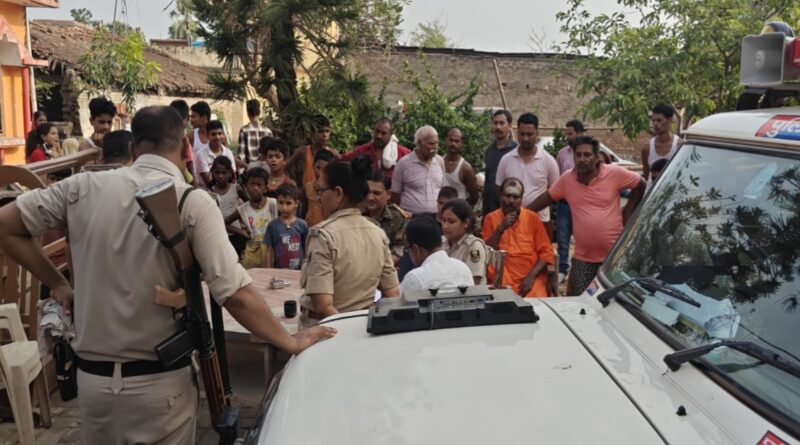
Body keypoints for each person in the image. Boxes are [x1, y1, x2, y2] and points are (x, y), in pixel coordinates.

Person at [0, 105, 334, 444]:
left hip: (93, 385)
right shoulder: (191, 202)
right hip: (159, 388)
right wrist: (290, 342)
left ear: (133, 148)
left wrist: (58, 284)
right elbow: (236, 294)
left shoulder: (80, 188)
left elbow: (6, 224)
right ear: (186, 146)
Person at [528, 136, 646, 295]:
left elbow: (640, 184)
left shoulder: (614, 173)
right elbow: (547, 198)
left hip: (613, 257)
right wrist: (522, 212)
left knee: (613, 300)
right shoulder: (567, 180)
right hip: (584, 259)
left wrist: (628, 211)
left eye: (587, 155)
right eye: (578, 155)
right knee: (578, 301)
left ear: (596, 157)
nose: (582, 159)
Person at [299, 156, 400, 328]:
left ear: (338, 193)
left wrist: (347, 332)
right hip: (365, 325)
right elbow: (393, 294)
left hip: (326, 330)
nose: (319, 198)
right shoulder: (378, 234)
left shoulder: (323, 236)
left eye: (321, 190)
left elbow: (322, 305)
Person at [483, 178, 555, 297]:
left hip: (530, 278)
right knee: (504, 300)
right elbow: (487, 253)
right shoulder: (491, 218)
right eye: (507, 196)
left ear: (521, 199)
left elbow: (546, 253)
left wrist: (531, 276)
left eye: (516, 197)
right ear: (500, 196)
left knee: (535, 303)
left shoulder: (533, 218)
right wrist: (500, 229)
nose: (511, 201)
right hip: (502, 278)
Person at [495, 112, 559, 223]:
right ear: (517, 132)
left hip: (539, 221)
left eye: (529, 134)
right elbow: (499, 189)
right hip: (512, 222)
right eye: (522, 134)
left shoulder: (548, 161)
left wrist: (526, 212)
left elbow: (554, 193)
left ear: (537, 133)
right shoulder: (506, 160)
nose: (525, 138)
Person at [400, 216, 474, 295]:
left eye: (407, 249)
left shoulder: (415, 278)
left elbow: (398, 300)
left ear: (416, 249)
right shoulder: (463, 268)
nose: (408, 253)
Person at [225, 167, 278, 269]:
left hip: (271, 252)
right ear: (246, 186)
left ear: (265, 188)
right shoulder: (243, 209)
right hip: (252, 256)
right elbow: (224, 223)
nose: (255, 188)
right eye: (252, 184)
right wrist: (241, 232)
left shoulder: (273, 204)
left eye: (259, 185)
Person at [390, 125, 445, 217]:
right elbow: (395, 194)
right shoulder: (403, 163)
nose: (436, 147)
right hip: (410, 219)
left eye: (437, 143)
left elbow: (442, 190)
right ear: (419, 143)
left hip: (435, 219)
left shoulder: (440, 161)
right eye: (431, 143)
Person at [554, 119, 584, 282]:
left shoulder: (589, 154)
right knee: (563, 238)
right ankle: (563, 269)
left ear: (579, 133)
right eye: (566, 133)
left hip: (583, 204)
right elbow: (558, 179)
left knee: (584, 238)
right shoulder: (562, 154)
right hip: (565, 204)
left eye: (570, 134)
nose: (567, 137)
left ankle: (581, 269)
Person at [363, 170, 407, 265]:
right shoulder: (356, 213)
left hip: (385, 265)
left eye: (376, 193)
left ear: (388, 194)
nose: (370, 197)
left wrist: (378, 266)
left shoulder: (397, 217)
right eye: (367, 192)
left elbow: (398, 250)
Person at [342, 117, 410, 177]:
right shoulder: (364, 150)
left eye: (383, 133)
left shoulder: (402, 153)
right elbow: (343, 159)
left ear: (390, 134)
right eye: (377, 131)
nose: (378, 136)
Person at [442, 199, 487, 285]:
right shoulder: (441, 242)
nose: (445, 226)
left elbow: (474, 281)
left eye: (451, 221)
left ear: (466, 223)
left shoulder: (474, 247)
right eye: (443, 220)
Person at [285, 114, 339, 185]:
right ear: (312, 133)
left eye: (327, 131)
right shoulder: (304, 151)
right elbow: (285, 167)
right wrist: (292, 183)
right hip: (307, 190)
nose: (324, 135)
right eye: (320, 131)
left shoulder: (333, 153)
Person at [265, 183, 308, 271]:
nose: (284, 207)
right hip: (279, 272)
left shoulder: (302, 225)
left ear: (296, 203)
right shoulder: (272, 226)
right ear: (277, 202)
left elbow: (306, 248)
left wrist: (306, 269)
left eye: (288, 203)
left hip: (299, 272)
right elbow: (269, 251)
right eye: (281, 202)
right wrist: (268, 271)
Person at [482, 109, 517, 215]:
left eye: (502, 123)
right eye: (495, 123)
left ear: (509, 126)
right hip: (490, 207)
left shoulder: (516, 151)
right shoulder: (489, 151)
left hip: (509, 207)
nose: (498, 127)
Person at [641, 103, 681, 183]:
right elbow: (647, 176)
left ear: (669, 120)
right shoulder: (647, 148)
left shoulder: (680, 146)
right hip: (652, 190)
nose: (655, 124)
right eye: (653, 120)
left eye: (659, 120)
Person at [443, 127, 480, 205]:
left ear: (462, 143)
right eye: (451, 140)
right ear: (445, 141)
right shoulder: (438, 162)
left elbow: (474, 197)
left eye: (457, 141)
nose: (453, 144)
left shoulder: (466, 168)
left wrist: (461, 207)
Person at [194, 120, 236, 187]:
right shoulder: (201, 154)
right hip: (207, 191)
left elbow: (233, 177)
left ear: (223, 134)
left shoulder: (228, 153)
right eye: (213, 134)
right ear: (207, 136)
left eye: (220, 133)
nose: (217, 137)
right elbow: (209, 183)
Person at [302, 149, 335, 227]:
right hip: (309, 228)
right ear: (313, 166)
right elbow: (304, 210)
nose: (320, 173)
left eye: (325, 169)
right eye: (318, 168)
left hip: (327, 228)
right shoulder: (308, 187)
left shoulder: (333, 190)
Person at [238, 99, 273, 166]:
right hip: (266, 168)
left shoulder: (244, 130)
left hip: (251, 168)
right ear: (259, 112)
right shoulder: (268, 131)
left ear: (248, 113)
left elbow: (241, 155)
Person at [169, 99, 195, 183]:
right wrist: (194, 183)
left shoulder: (164, 136)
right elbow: (189, 164)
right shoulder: (184, 140)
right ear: (187, 118)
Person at [208, 156, 242, 221]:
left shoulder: (236, 188)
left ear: (230, 173)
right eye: (217, 172)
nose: (220, 176)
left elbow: (250, 203)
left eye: (224, 173)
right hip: (217, 226)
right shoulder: (210, 192)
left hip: (235, 226)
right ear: (212, 172)